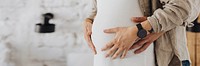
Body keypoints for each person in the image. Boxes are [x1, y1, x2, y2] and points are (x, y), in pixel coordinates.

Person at [83, 0, 200, 66]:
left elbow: (185, 8)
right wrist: (89, 20)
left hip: (145, 55)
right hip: (103, 57)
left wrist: (142, 29)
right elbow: (98, 6)